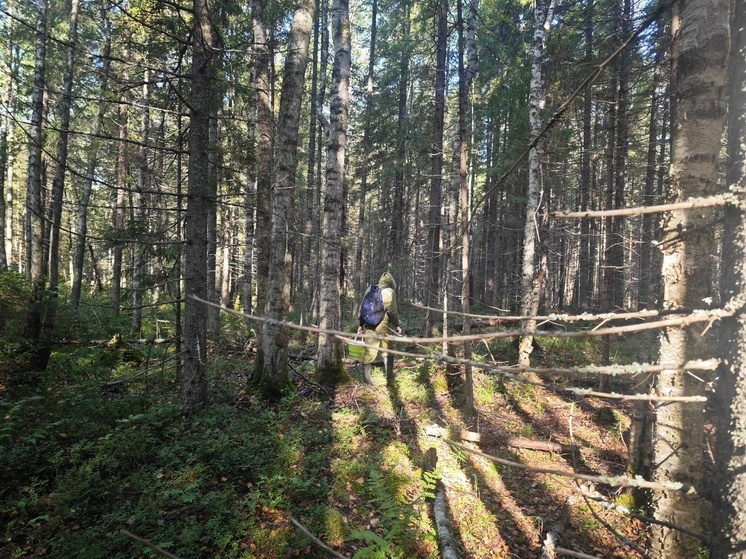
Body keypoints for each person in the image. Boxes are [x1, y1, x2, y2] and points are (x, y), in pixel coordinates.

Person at [357, 271, 402, 383]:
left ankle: (367, 380)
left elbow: (362, 308)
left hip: (369, 324)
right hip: (383, 325)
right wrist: (396, 325)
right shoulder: (390, 292)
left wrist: (361, 325)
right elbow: (393, 312)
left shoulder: (370, 289)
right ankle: (390, 377)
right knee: (387, 350)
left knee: (370, 351)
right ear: (391, 282)